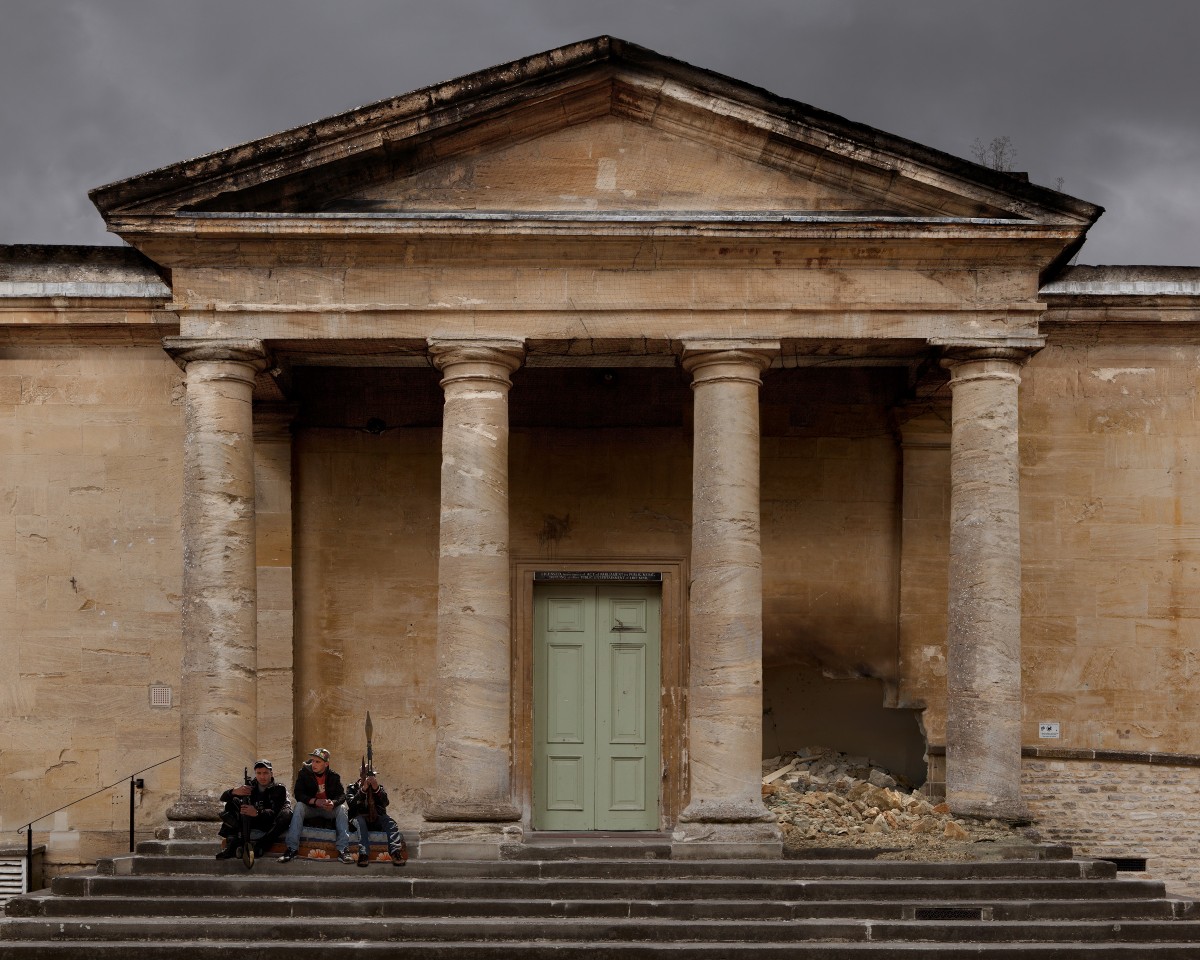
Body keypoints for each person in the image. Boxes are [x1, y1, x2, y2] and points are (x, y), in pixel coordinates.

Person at [278, 747, 353, 863]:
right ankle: (291, 849)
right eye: (312, 760)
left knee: (342, 809)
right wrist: (314, 801)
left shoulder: (334, 776)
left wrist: (333, 803)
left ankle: (343, 851)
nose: (314, 764)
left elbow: (342, 796)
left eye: (318, 761)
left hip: (328, 810)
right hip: (311, 808)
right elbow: (298, 794)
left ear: (326, 764)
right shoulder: (304, 773)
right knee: (298, 806)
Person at [215, 759, 290, 867]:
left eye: (265, 773)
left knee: (287, 814)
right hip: (249, 821)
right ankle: (231, 843)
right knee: (232, 803)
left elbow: (274, 813)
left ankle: (259, 846)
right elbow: (223, 798)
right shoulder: (250, 786)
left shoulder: (279, 789)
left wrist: (257, 812)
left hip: (267, 823)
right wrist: (233, 791)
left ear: (271, 774)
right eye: (259, 773)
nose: (262, 776)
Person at [346, 768, 409, 867]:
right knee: (360, 822)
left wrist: (376, 789)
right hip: (358, 818)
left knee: (391, 823)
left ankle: (396, 853)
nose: (372, 778)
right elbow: (351, 804)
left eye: (373, 776)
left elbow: (385, 803)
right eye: (369, 776)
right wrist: (363, 790)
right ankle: (363, 854)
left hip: (376, 818)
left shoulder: (379, 788)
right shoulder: (352, 788)